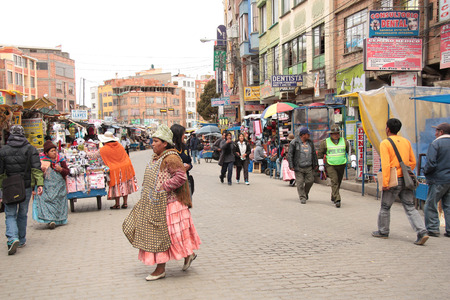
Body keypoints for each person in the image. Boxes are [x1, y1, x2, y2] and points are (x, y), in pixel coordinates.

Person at [123, 124, 200, 281]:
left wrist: (164, 187)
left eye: (156, 141)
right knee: (168, 236)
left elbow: (180, 177)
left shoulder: (171, 158)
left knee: (167, 236)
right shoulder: (157, 157)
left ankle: (161, 268)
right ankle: (188, 255)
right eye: (152, 140)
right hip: (156, 204)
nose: (152, 143)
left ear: (165, 143)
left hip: (170, 205)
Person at [372, 118, 429, 245]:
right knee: (410, 207)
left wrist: (385, 183)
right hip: (406, 178)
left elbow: (386, 164)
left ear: (387, 129)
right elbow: (412, 162)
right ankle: (422, 231)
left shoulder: (385, 143)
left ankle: (383, 231)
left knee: (385, 207)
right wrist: (405, 172)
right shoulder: (406, 142)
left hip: (393, 179)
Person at [0, 125, 44, 255]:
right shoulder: (30, 149)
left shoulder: (3, 150)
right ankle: (21, 239)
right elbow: (36, 168)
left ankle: (12, 238)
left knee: (10, 213)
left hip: (9, 187)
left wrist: (1, 189)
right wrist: (39, 184)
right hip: (25, 186)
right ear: (23, 134)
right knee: (22, 213)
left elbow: (1, 172)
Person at [32, 141, 69, 229]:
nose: (54, 153)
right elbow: (35, 174)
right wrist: (42, 170)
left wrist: (60, 169)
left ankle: (57, 219)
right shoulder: (41, 161)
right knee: (47, 202)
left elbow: (67, 172)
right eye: (52, 151)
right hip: (46, 187)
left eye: (55, 150)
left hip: (59, 186)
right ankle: (50, 220)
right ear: (46, 153)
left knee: (58, 202)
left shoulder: (61, 159)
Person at [317, 124, 356, 208]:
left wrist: (353, 160)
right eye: (334, 134)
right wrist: (321, 164)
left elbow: (351, 151)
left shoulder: (345, 141)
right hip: (330, 164)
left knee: (338, 181)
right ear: (331, 134)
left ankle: (333, 195)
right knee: (334, 180)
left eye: (337, 133)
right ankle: (337, 199)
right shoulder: (325, 142)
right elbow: (320, 154)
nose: (336, 135)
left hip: (341, 164)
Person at [98, 132, 138, 209]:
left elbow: (95, 156)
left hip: (114, 169)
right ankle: (125, 203)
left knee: (116, 186)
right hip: (126, 167)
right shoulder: (119, 145)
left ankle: (117, 204)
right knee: (125, 185)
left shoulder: (104, 149)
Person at [424, 122, 450, 237]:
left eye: (436, 131)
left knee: (431, 203)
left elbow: (431, 163)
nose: (435, 134)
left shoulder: (436, 144)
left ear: (441, 132)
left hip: (438, 179)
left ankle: (433, 228)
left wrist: (426, 172)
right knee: (448, 205)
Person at [288, 127, 318, 204]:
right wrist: (291, 165)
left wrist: (316, 163)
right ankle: (302, 197)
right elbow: (290, 154)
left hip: (309, 166)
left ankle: (305, 192)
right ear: (303, 135)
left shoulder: (310, 143)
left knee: (310, 181)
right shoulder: (294, 143)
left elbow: (314, 154)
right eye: (308, 134)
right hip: (299, 167)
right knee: (300, 183)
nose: (309, 136)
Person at [170, 124, 193, 194]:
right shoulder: (169, 148)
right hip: (173, 183)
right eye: (183, 134)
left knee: (187, 204)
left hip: (185, 180)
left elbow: (189, 161)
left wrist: (188, 166)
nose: (184, 136)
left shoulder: (184, 147)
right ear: (177, 135)